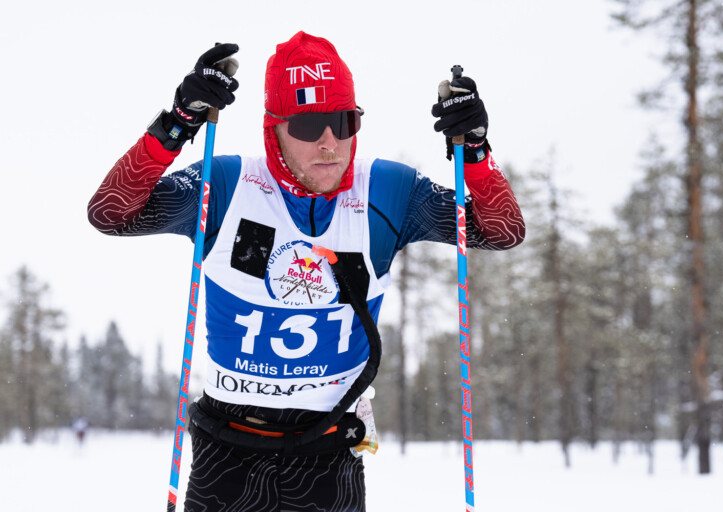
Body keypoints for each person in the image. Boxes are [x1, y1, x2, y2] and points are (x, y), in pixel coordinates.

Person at [88, 31, 524, 512]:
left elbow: (502, 231)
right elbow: (111, 213)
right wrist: (178, 124)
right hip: (227, 456)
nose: (329, 142)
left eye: (343, 121)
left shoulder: (388, 191)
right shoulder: (228, 183)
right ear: (273, 128)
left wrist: (475, 151)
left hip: (328, 458)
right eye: (309, 125)